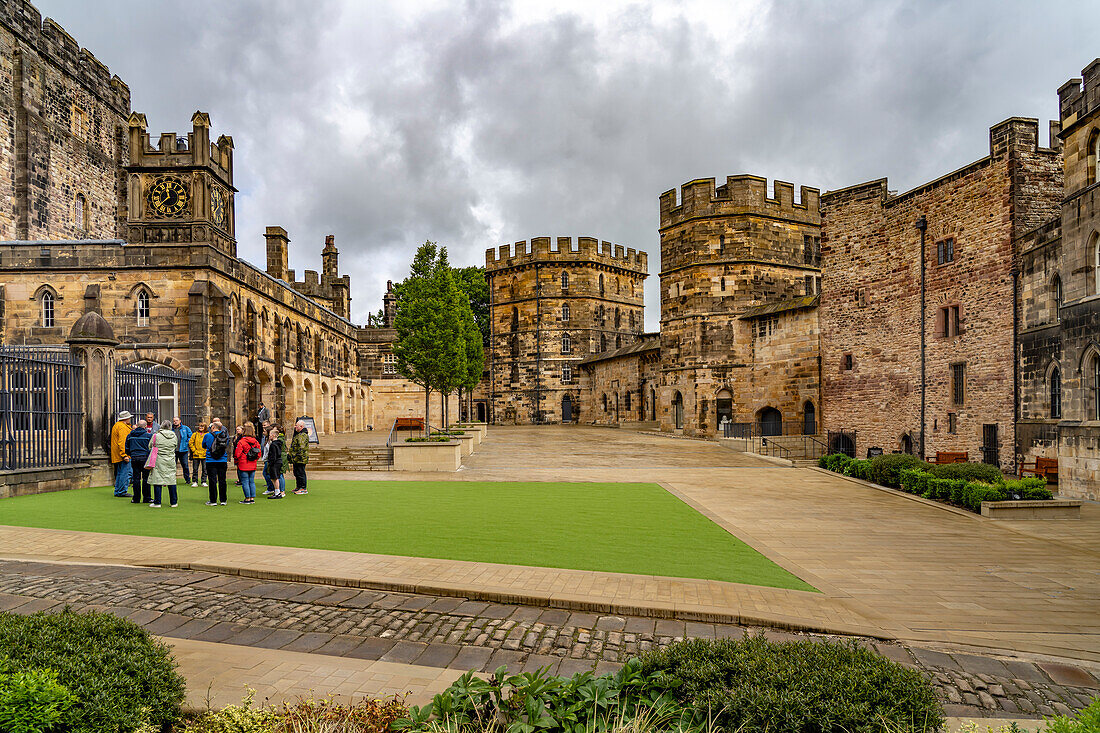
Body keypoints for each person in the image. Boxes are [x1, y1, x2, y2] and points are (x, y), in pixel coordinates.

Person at [148, 420, 179, 508]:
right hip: (170, 459)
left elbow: (150, 446)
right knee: (171, 480)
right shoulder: (174, 436)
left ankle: (157, 502)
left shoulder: (156, 436)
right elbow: (175, 446)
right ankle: (174, 502)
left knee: (157, 480)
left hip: (158, 459)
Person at [125, 419, 153, 504]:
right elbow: (151, 448)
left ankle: (136, 498)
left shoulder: (130, 435)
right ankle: (147, 497)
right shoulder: (148, 436)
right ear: (145, 427)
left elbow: (126, 448)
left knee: (136, 478)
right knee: (146, 478)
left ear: (137, 425)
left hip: (134, 458)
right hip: (145, 458)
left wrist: (132, 454)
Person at [203, 421, 230, 506]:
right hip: (222, 460)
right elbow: (226, 445)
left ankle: (213, 500)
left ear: (213, 427)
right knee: (222, 480)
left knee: (212, 480)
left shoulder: (207, 435)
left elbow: (203, 445)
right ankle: (223, 500)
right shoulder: (224, 435)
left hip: (211, 460)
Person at [233, 423, 261, 504]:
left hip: (243, 463)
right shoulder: (256, 442)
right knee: (251, 481)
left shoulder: (241, 442)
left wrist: (238, 459)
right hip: (252, 463)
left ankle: (247, 498)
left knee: (245, 481)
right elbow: (259, 454)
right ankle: (252, 498)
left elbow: (237, 454)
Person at [110, 410, 133, 498]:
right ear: (126, 418)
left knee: (120, 473)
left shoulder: (117, 425)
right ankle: (122, 491)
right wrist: (125, 455)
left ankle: (119, 491)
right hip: (122, 454)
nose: (130, 419)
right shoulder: (122, 427)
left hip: (117, 454)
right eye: (129, 418)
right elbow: (122, 442)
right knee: (125, 473)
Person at [263, 425, 287, 499]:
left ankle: (277, 492)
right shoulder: (277, 443)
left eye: (270, 435)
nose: (269, 436)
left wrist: (271, 462)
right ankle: (277, 492)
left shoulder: (273, 444)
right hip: (277, 462)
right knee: (274, 477)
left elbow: (273, 455)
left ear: (273, 435)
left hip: (275, 462)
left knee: (275, 477)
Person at [288, 419, 309, 495]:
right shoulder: (298, 434)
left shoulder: (302, 435)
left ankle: (303, 488)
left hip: (300, 458)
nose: (295, 427)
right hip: (296, 458)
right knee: (296, 472)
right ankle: (298, 486)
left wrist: (299, 456)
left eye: (296, 425)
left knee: (301, 472)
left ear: (301, 426)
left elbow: (301, 447)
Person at [172, 417, 192, 486]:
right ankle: (172, 480)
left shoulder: (185, 428)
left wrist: (186, 444)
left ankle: (187, 479)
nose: (175, 422)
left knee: (185, 465)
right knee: (172, 466)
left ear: (180, 421)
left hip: (183, 451)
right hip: (173, 451)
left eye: (176, 420)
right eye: (174, 421)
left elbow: (190, 437)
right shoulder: (171, 429)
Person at [189, 422, 208, 487]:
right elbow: (191, 443)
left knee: (205, 469)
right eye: (200, 426)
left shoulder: (207, 434)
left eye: (202, 426)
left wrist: (206, 451)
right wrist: (194, 450)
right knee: (195, 469)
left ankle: (204, 481)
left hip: (204, 454)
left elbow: (209, 443)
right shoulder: (195, 434)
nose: (201, 428)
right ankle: (194, 481)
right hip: (196, 454)